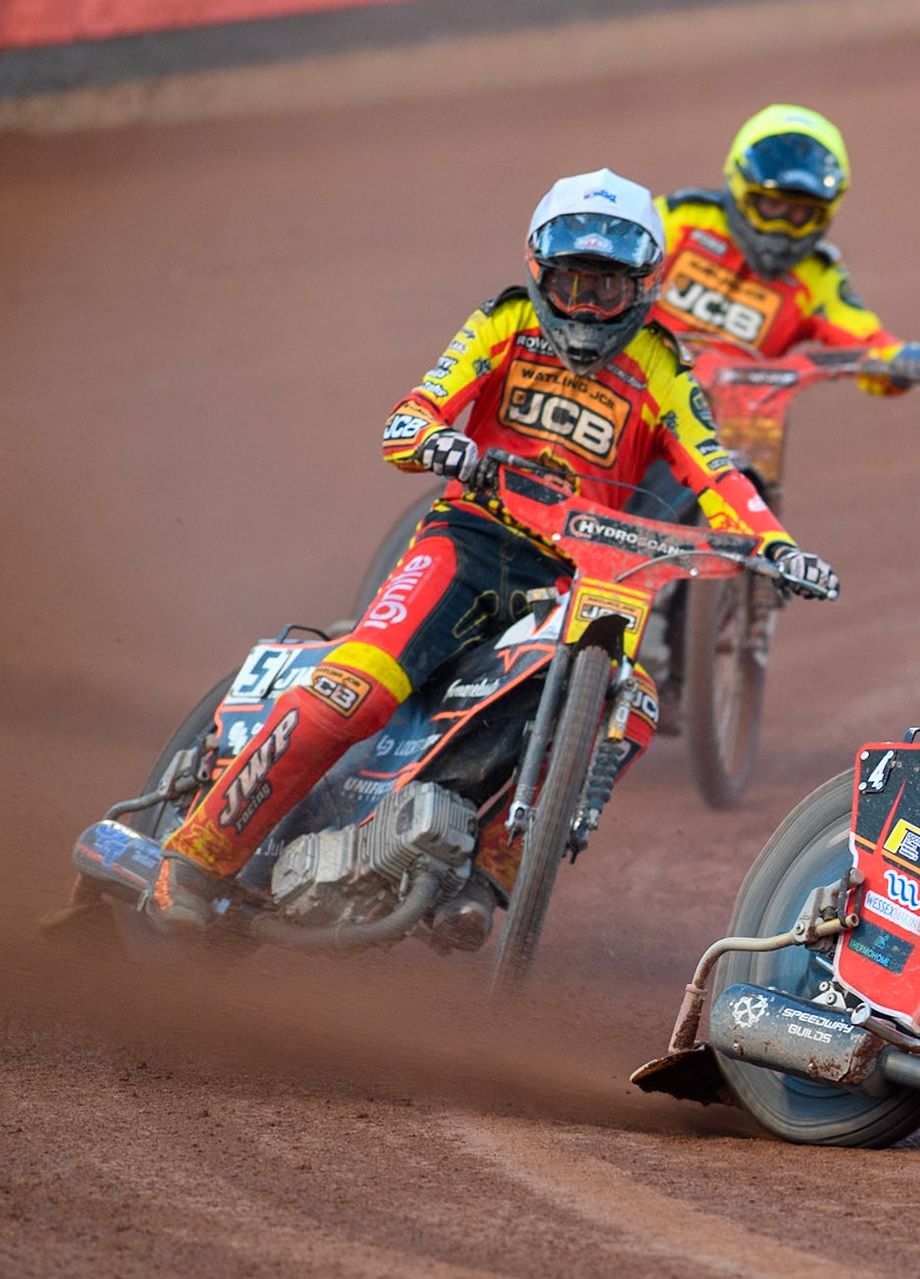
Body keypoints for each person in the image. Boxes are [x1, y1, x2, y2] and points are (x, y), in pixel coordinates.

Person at [147, 168, 839, 931]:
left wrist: (777, 546)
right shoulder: (504, 322)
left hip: (573, 575)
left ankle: (490, 874)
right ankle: (194, 856)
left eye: (607, 290)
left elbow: (715, 470)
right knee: (357, 689)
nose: (585, 307)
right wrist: (435, 440)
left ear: (644, 287)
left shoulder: (662, 367)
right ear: (539, 271)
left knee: (630, 704)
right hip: (468, 541)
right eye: (571, 284)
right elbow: (411, 416)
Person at [651, 103, 920, 394]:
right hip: (634, 389)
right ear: (742, 190)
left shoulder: (818, 276)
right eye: (772, 205)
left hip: (730, 418)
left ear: (823, 214)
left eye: (799, 213)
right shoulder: (682, 218)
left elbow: (866, 340)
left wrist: (899, 360)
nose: (781, 226)